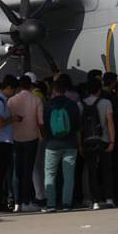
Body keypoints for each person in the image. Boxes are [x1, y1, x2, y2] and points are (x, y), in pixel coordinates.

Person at [42, 79, 81, 212]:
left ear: (53, 90)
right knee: (69, 175)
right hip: (70, 143)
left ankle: (51, 204)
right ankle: (66, 204)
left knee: (50, 174)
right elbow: (77, 126)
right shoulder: (72, 105)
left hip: (52, 144)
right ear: (65, 90)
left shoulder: (47, 106)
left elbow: (44, 125)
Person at [8, 74, 44, 212]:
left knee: (16, 172)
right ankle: (27, 201)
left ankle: (17, 203)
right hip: (32, 138)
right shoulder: (36, 100)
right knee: (28, 171)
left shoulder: (11, 101)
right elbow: (40, 122)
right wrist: (43, 136)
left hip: (16, 138)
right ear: (30, 86)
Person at [81, 78, 115, 210]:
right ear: (99, 90)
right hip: (104, 140)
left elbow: (79, 128)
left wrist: (80, 144)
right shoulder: (106, 102)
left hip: (88, 141)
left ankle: (95, 200)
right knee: (106, 171)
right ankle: (109, 198)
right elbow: (110, 122)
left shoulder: (81, 104)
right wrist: (112, 141)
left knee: (92, 172)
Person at [0, 75, 21, 213]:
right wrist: (12, 119)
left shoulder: (1, 100)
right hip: (2, 141)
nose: (13, 93)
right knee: (0, 174)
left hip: (3, 141)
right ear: (8, 87)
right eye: (13, 90)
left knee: (1, 173)